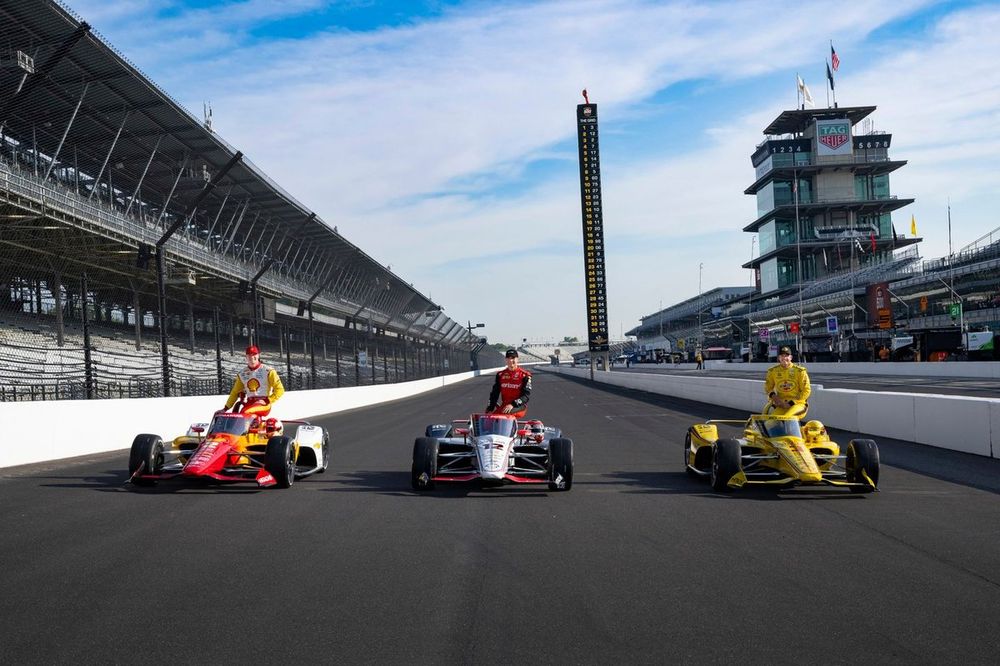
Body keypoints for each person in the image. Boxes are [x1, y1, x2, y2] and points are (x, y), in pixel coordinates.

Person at [224, 344, 285, 418]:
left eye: (254, 355)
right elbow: (235, 392)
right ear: (246, 357)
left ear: (258, 355)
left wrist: (268, 400)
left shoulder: (268, 371)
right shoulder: (242, 374)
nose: (252, 357)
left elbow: (280, 390)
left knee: (245, 412)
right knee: (237, 417)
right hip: (249, 403)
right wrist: (225, 408)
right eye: (249, 356)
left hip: (264, 404)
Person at [764, 345, 810, 418]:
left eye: (786, 356)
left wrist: (791, 403)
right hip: (782, 405)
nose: (784, 358)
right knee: (771, 421)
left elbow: (806, 390)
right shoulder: (773, 371)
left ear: (791, 357)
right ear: (779, 358)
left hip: (798, 404)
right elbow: (768, 388)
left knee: (787, 418)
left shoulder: (800, 371)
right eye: (782, 356)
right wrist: (775, 398)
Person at [487, 348, 532, 418]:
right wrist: (490, 408)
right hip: (505, 406)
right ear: (506, 359)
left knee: (504, 416)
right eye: (509, 358)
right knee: (489, 418)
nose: (511, 360)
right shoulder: (500, 375)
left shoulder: (525, 375)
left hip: (518, 406)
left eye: (513, 358)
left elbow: (525, 397)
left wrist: (512, 405)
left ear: (517, 359)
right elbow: (494, 394)